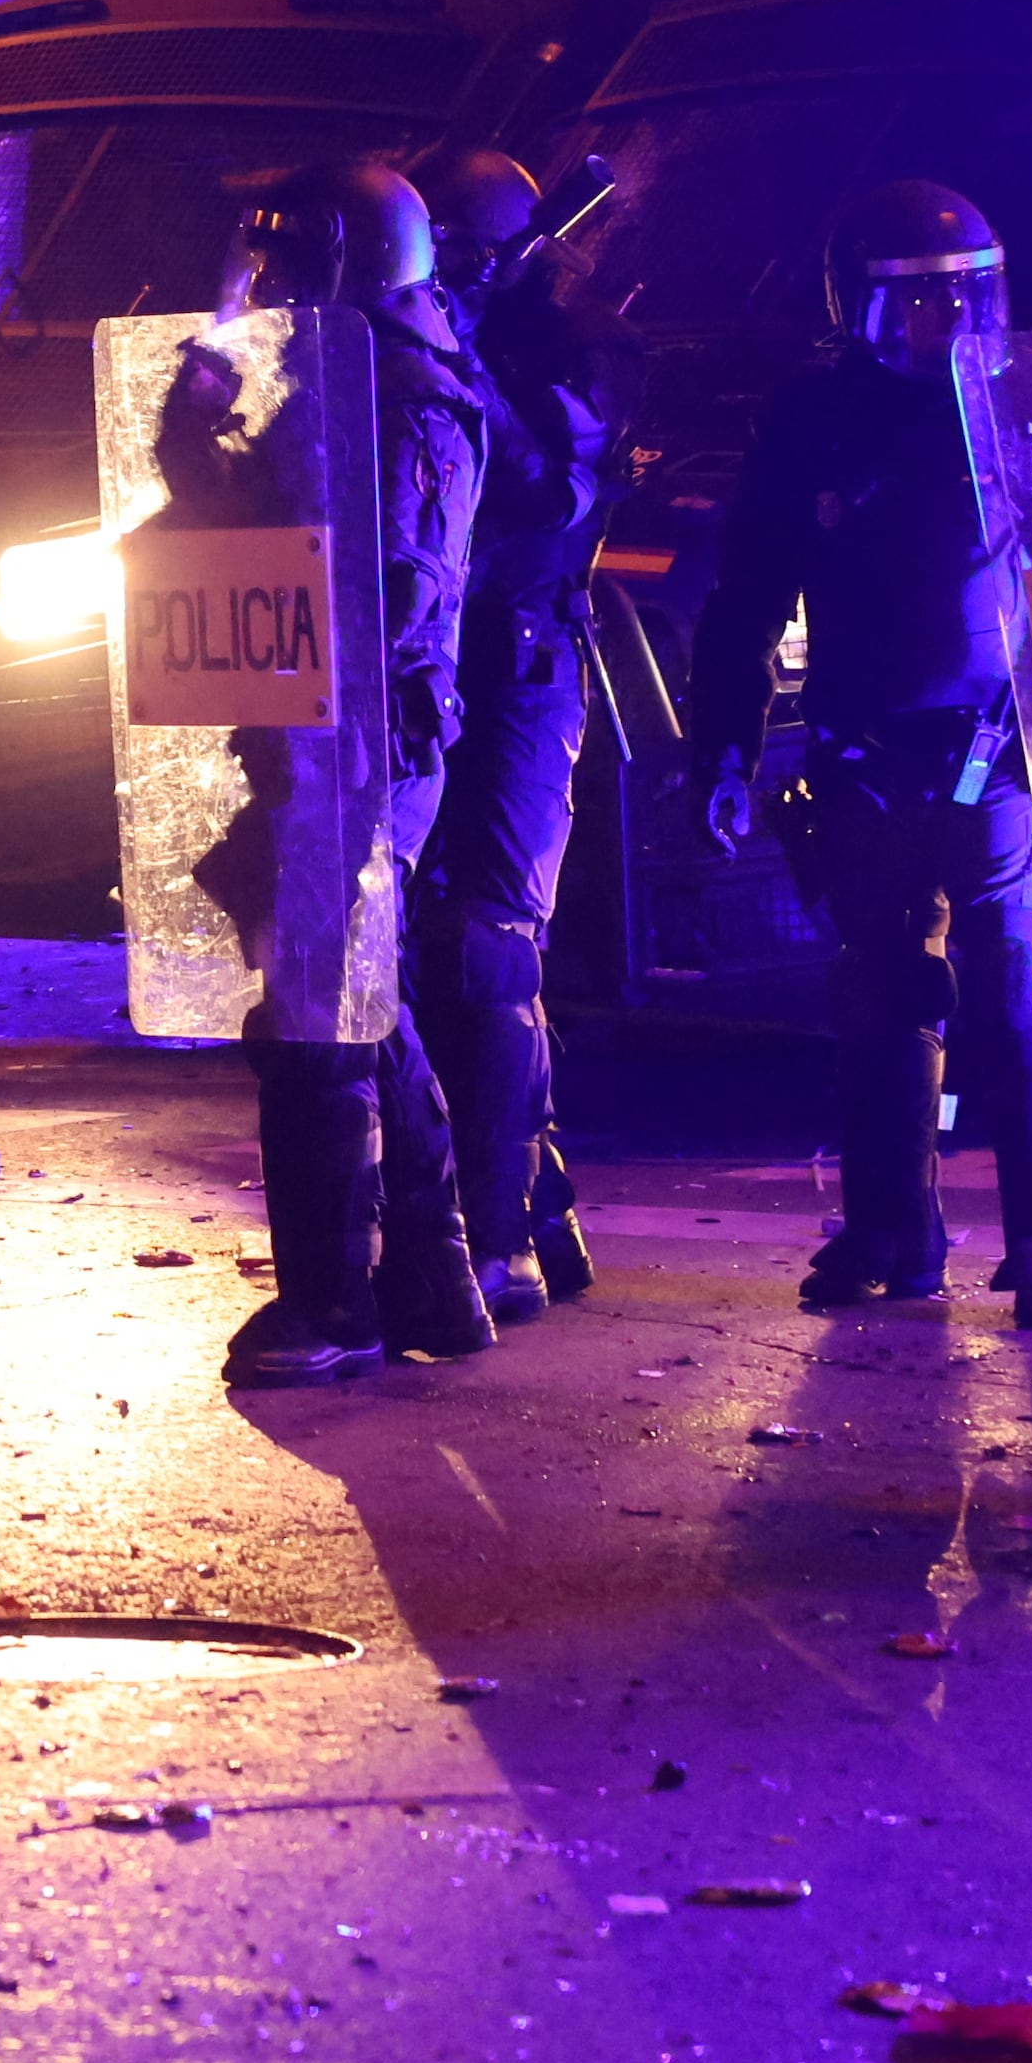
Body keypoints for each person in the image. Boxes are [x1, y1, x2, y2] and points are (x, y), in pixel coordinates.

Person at [691, 182, 1032, 1330]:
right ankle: (885, 1233)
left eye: (966, 302)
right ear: (856, 309)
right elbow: (748, 596)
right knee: (875, 993)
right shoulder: (814, 417)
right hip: (863, 751)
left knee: (1013, 987)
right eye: (917, 307)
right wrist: (718, 749)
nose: (946, 329)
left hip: (998, 749)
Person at [181, 162, 493, 1387]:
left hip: (362, 742)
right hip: (313, 730)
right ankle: (433, 1276)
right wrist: (200, 395)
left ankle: (331, 1304)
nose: (260, 284)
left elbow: (394, 588)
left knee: (313, 1013)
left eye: (283, 262)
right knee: (360, 1004)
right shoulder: (329, 375)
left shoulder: (403, 395)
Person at [407, 147, 609, 1317]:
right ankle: (515, 1204)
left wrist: (459, 355)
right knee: (399, 954)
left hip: (518, 662)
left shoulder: (576, 349)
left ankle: (501, 1242)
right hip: (410, 661)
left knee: (483, 945)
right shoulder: (386, 345)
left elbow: (551, 489)